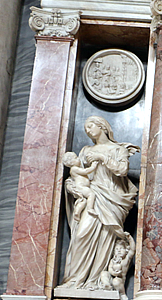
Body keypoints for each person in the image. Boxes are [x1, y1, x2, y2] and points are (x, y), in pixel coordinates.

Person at [58, 116, 139, 291]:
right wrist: (71, 185)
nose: (88, 130)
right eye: (86, 128)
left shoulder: (118, 149)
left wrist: (102, 156)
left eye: (91, 126)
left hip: (112, 198)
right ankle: (75, 280)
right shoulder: (86, 150)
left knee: (105, 238)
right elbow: (77, 174)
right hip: (92, 195)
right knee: (81, 235)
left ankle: (95, 280)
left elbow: (122, 170)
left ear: (102, 126)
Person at [62, 151, 99, 222]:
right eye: (76, 158)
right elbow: (86, 171)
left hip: (83, 187)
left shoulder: (76, 168)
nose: (78, 158)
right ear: (71, 162)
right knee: (91, 194)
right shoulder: (74, 169)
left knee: (83, 201)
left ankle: (77, 212)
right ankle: (90, 208)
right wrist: (93, 166)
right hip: (81, 187)